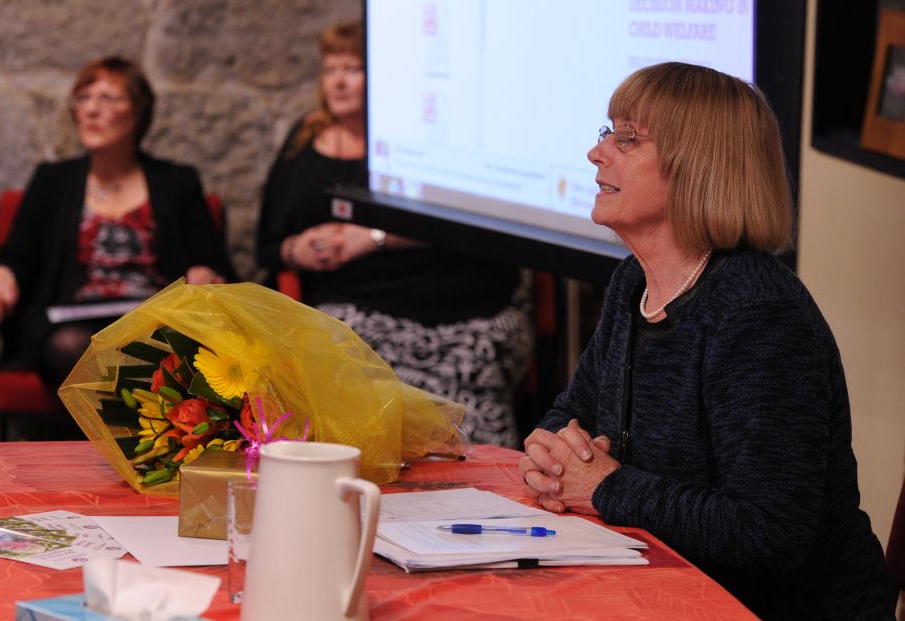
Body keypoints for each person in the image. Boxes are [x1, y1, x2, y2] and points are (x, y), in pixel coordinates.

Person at [517, 62, 896, 619]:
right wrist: (551, 454)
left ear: (697, 168)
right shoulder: (632, 282)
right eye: (606, 133)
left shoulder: (759, 314)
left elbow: (769, 534)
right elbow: (570, 414)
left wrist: (603, 486)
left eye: (628, 139)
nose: (598, 154)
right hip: (658, 590)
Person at [256, 22, 532, 448]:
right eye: (331, 69)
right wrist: (299, 249)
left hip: (458, 303)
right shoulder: (303, 139)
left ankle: (485, 482)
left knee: (477, 366)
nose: (340, 81)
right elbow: (270, 243)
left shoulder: (422, 137)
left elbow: (469, 221)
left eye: (353, 68)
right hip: (353, 305)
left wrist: (372, 237)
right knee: (346, 356)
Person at [0, 56, 235, 390]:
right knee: (71, 346)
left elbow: (214, 263)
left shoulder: (177, 183)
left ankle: (128, 428)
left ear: (139, 112)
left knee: (167, 345)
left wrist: (204, 272)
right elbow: (17, 255)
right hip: (73, 322)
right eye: (83, 98)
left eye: (108, 98)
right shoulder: (52, 180)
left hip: (152, 321)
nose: (91, 110)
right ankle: (136, 428)